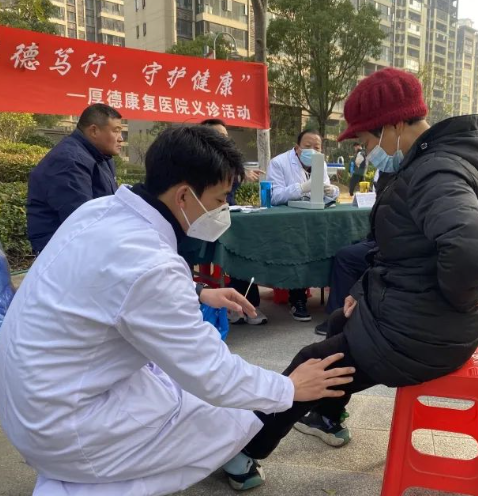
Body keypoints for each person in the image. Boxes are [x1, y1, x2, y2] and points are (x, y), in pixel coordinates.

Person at [0, 126, 355, 496]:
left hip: (31, 398)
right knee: (225, 417)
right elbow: (211, 372)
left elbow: (114, 284)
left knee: (172, 384)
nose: (223, 210)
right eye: (220, 199)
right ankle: (81, 484)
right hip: (61, 426)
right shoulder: (152, 264)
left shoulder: (99, 211)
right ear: (184, 195)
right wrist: (289, 387)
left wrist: (199, 292)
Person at [222, 67, 478, 489]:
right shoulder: (424, 164)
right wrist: (362, 291)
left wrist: (466, 296)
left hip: (426, 334)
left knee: (313, 362)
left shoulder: (435, 173)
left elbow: (465, 249)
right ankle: (326, 416)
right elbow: (400, 252)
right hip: (429, 318)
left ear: (394, 126)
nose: (366, 150)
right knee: (340, 320)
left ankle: (245, 452)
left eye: (367, 141)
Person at [26, 104, 123, 254]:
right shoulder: (69, 161)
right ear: (94, 131)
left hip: (88, 244)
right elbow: (81, 218)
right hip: (61, 251)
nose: (121, 138)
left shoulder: (102, 156)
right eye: (116, 131)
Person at [266, 130, 340, 322]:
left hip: (314, 219)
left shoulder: (320, 163)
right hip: (288, 223)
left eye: (317, 147)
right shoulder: (279, 163)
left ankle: (333, 293)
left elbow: (325, 192)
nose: (312, 151)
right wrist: (302, 188)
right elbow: (274, 196)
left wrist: (332, 191)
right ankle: (297, 299)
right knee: (297, 247)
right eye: (308, 146)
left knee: (329, 242)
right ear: (297, 148)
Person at [200, 118, 267, 326]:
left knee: (245, 245)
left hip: (231, 215)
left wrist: (241, 173)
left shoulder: (230, 161)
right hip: (204, 222)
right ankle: (237, 306)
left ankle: (248, 304)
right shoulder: (197, 162)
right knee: (237, 246)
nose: (223, 140)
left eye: (225, 136)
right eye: (217, 136)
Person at [314, 169, 396, 336]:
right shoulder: (391, 170)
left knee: (346, 256)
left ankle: (339, 316)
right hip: (384, 236)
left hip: (395, 243)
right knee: (354, 246)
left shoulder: (409, 173)